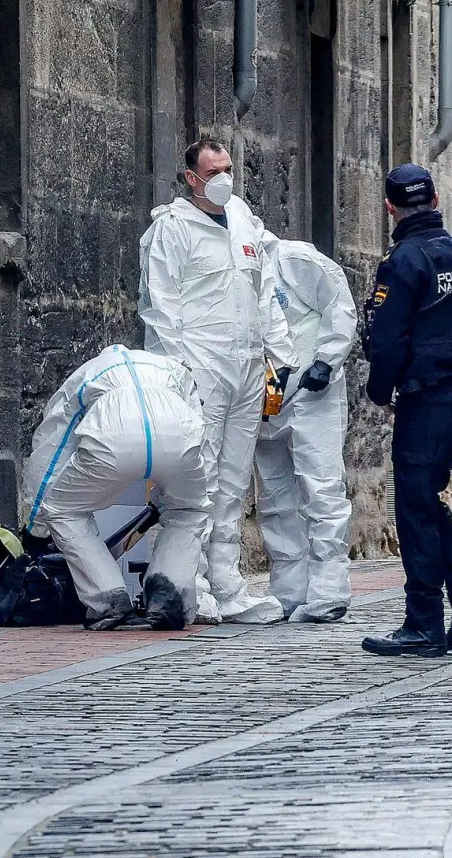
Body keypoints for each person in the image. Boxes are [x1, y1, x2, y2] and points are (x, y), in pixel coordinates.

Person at [138, 139, 298, 624]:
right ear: (192, 178)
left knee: (232, 480)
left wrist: (280, 355)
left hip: (247, 365)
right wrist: (177, 372)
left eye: (228, 169)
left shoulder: (243, 220)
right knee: (198, 478)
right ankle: (192, 584)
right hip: (202, 365)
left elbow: (263, 290)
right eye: (213, 172)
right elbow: (161, 305)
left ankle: (227, 584)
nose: (224, 179)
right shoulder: (172, 228)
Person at [359, 164, 452, 658]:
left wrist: (380, 391)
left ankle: (423, 622)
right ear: (435, 200)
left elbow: (388, 341)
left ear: (389, 208)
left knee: (415, 509)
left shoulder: (403, 262)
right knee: (426, 500)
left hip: (428, 397)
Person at [21, 345, 210, 631]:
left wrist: (36, 526)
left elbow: (52, 449)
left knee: (61, 510)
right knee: (189, 511)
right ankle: (168, 590)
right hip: (179, 439)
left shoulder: (86, 374)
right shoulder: (173, 370)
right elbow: (198, 426)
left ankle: (107, 597)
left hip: (112, 441)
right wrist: (179, 490)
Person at [253, 239, 357, 623]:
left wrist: (327, 360)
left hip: (313, 391)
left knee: (321, 487)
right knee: (274, 495)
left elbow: (338, 302)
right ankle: (289, 589)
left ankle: (329, 589)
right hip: (264, 397)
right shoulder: (226, 271)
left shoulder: (291, 259)